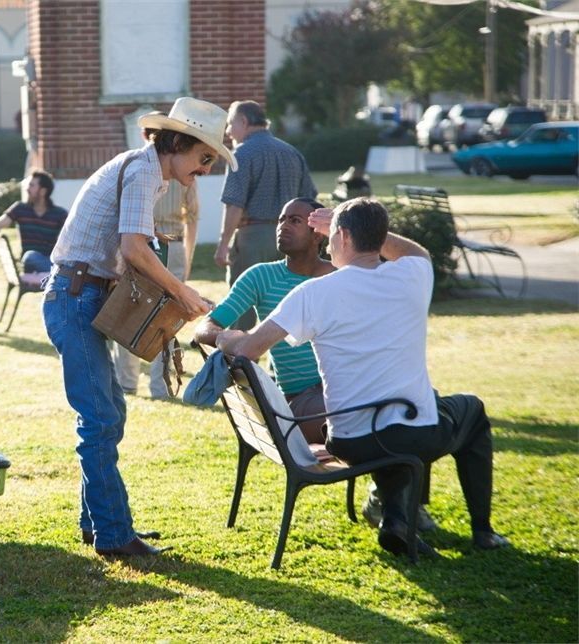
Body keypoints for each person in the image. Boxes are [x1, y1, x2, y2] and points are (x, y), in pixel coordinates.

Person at [217, 198, 508, 556]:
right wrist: (362, 227)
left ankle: (397, 519)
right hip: (411, 434)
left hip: (349, 439)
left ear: (340, 235)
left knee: (401, 419)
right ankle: (483, 532)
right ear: (379, 237)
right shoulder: (413, 274)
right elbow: (414, 250)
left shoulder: (311, 293)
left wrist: (222, 337)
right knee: (469, 411)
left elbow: (248, 349)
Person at [43, 97, 233, 557]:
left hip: (82, 296)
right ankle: (114, 536)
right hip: (74, 298)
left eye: (211, 160)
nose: (206, 169)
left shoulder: (145, 169)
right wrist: (184, 294)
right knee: (102, 417)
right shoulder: (146, 171)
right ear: (177, 142)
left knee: (109, 412)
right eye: (204, 157)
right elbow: (133, 249)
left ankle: (96, 523)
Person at [195, 197, 331, 442]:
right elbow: (205, 327)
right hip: (301, 405)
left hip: (342, 391)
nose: (283, 226)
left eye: (295, 220)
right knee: (375, 420)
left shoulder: (341, 276)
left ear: (318, 235)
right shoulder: (261, 277)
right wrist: (231, 340)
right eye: (281, 220)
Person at [113, 113, 200, 399]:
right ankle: (158, 386)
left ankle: (129, 382)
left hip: (150, 244)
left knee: (131, 309)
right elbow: (194, 215)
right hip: (157, 244)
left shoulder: (145, 166)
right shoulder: (180, 168)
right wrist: (187, 256)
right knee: (164, 317)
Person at [215, 100, 316, 330]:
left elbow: (234, 204)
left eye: (230, 124)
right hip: (293, 238)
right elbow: (310, 199)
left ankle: (240, 360)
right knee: (284, 304)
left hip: (253, 237)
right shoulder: (292, 152)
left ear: (244, 121)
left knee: (243, 305)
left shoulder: (241, 154)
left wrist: (223, 245)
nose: (228, 131)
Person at [0, 170, 67, 273]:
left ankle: (56, 273)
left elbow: (72, 235)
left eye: (32, 186)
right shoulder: (20, 209)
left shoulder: (60, 214)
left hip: (51, 260)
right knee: (30, 256)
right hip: (30, 261)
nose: (27, 189)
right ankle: (57, 274)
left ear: (43, 191)